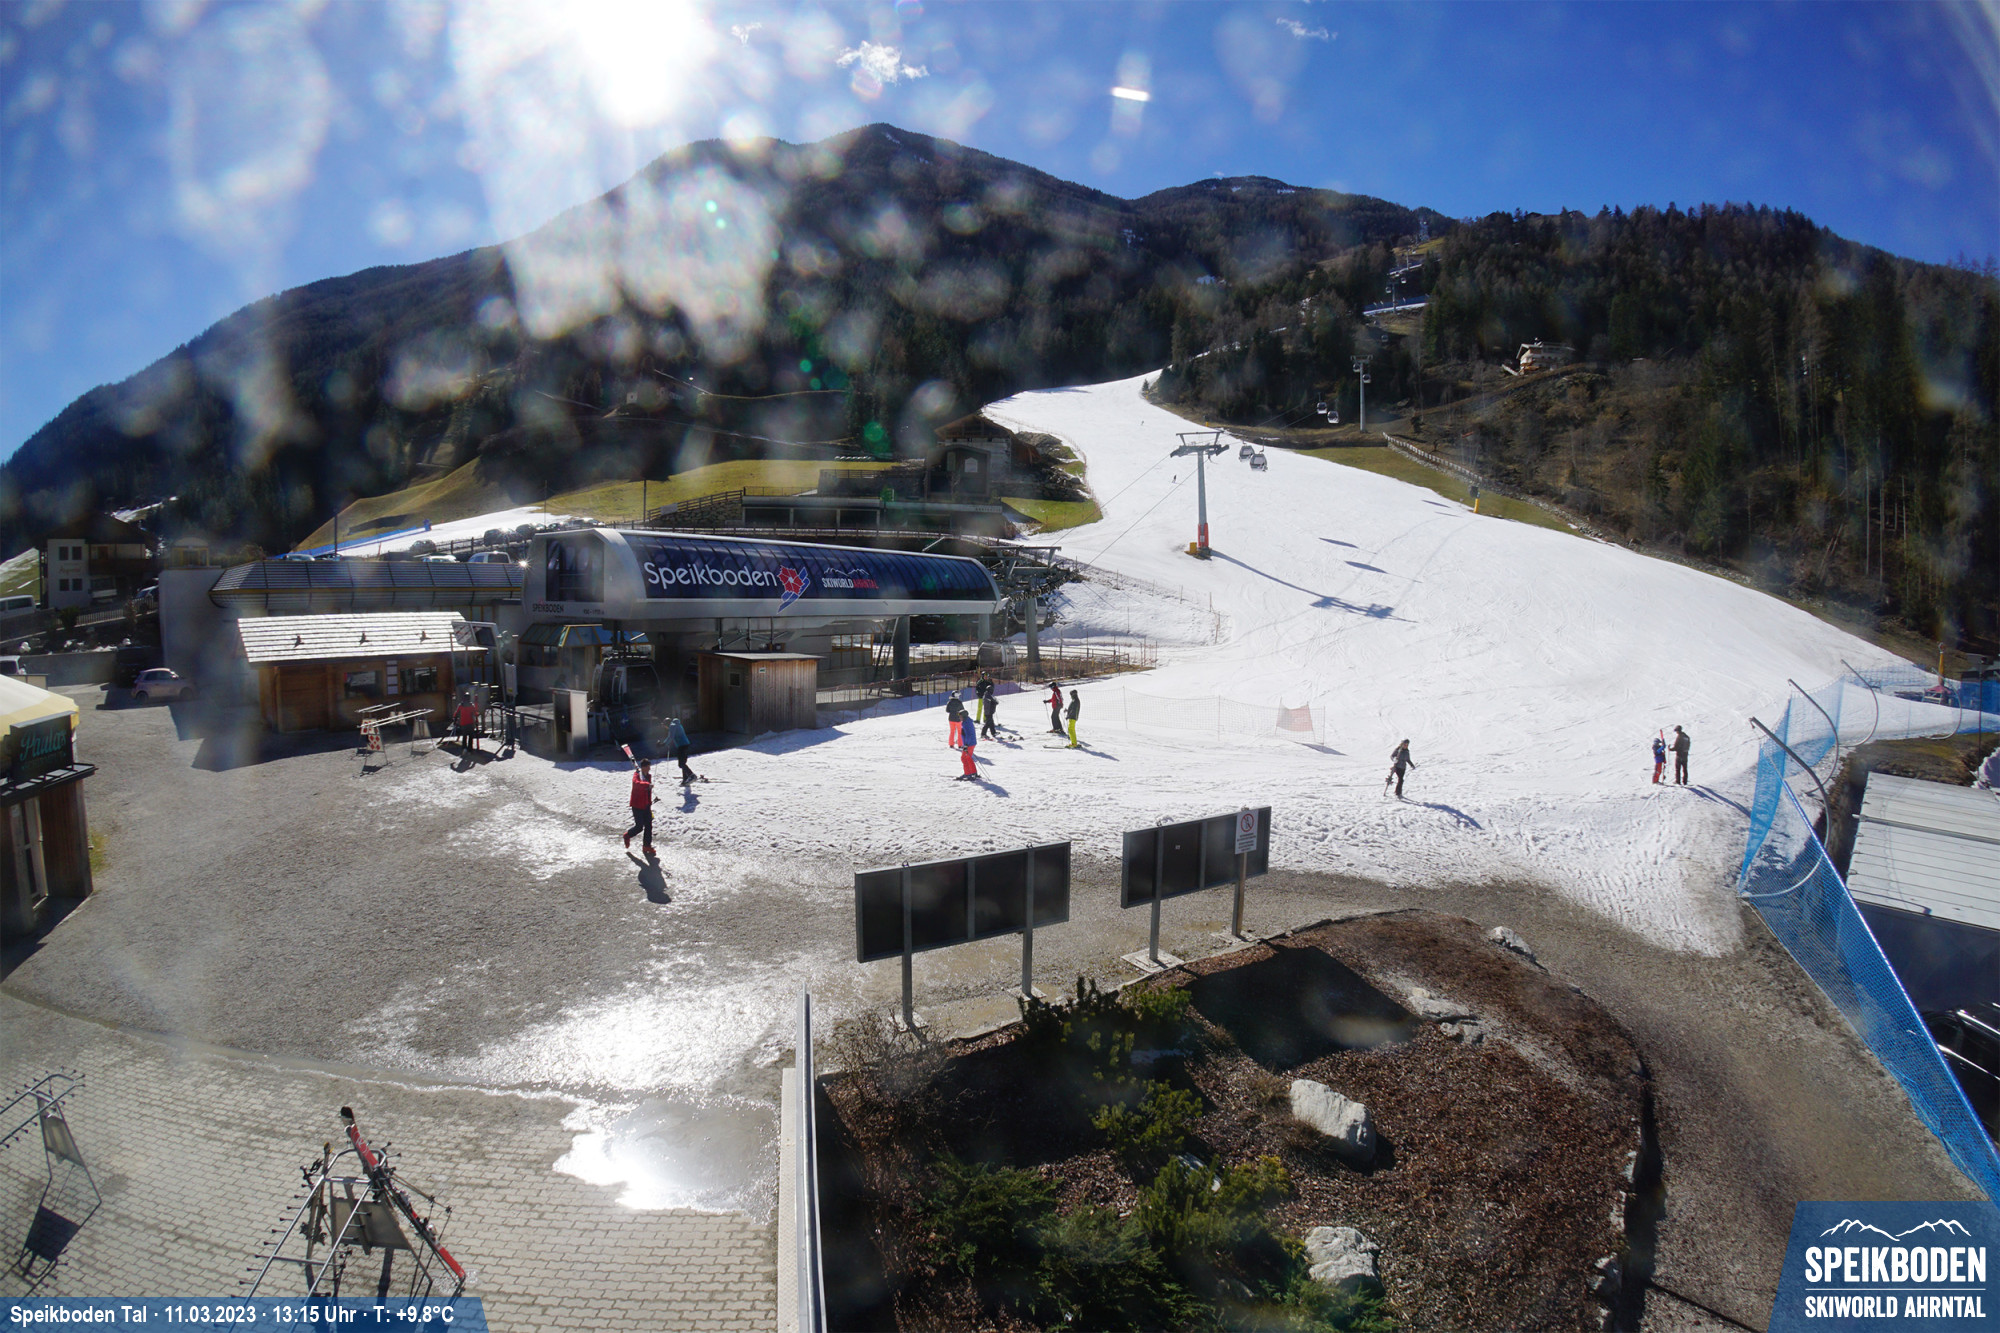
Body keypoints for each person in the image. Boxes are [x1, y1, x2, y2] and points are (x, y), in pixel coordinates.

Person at [624, 757, 655, 854]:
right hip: (637, 805)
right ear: (644, 767)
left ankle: (647, 846)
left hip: (646, 805)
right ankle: (627, 835)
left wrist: (649, 802)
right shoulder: (636, 775)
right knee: (639, 827)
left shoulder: (648, 776)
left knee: (649, 826)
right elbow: (637, 784)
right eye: (648, 767)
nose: (649, 769)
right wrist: (647, 785)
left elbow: (647, 791)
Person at [668, 716, 696, 784]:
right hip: (686, 744)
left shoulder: (672, 726)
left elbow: (670, 737)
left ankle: (691, 775)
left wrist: (663, 744)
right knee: (683, 762)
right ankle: (685, 779)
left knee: (681, 764)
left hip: (682, 746)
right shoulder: (677, 724)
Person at [957, 713, 979, 780]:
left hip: (969, 744)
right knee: (968, 758)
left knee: (964, 758)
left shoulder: (966, 723)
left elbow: (969, 735)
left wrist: (966, 745)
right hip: (970, 743)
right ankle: (973, 772)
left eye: (960, 716)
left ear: (963, 716)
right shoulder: (966, 722)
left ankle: (968, 773)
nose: (959, 718)